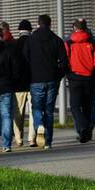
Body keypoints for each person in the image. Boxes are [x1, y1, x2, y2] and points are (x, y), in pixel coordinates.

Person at [25, 14, 67, 149]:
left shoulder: (30, 40)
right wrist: (59, 75)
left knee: (37, 108)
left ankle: (39, 125)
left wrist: (28, 76)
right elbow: (64, 62)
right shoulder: (57, 40)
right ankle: (48, 142)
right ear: (50, 24)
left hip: (35, 79)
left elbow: (24, 60)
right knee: (49, 110)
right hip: (52, 79)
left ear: (38, 24)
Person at [65, 18, 95, 143]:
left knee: (75, 106)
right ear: (85, 27)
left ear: (74, 27)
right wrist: (94, 76)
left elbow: (65, 60)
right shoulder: (93, 40)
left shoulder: (69, 42)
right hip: (89, 78)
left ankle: (83, 128)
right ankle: (87, 131)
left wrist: (69, 74)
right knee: (89, 105)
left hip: (75, 78)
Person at [9, 20, 35, 147]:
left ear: (19, 30)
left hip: (18, 84)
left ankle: (18, 138)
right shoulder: (34, 43)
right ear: (31, 30)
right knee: (33, 112)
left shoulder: (14, 45)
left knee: (18, 113)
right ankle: (32, 138)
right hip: (33, 82)